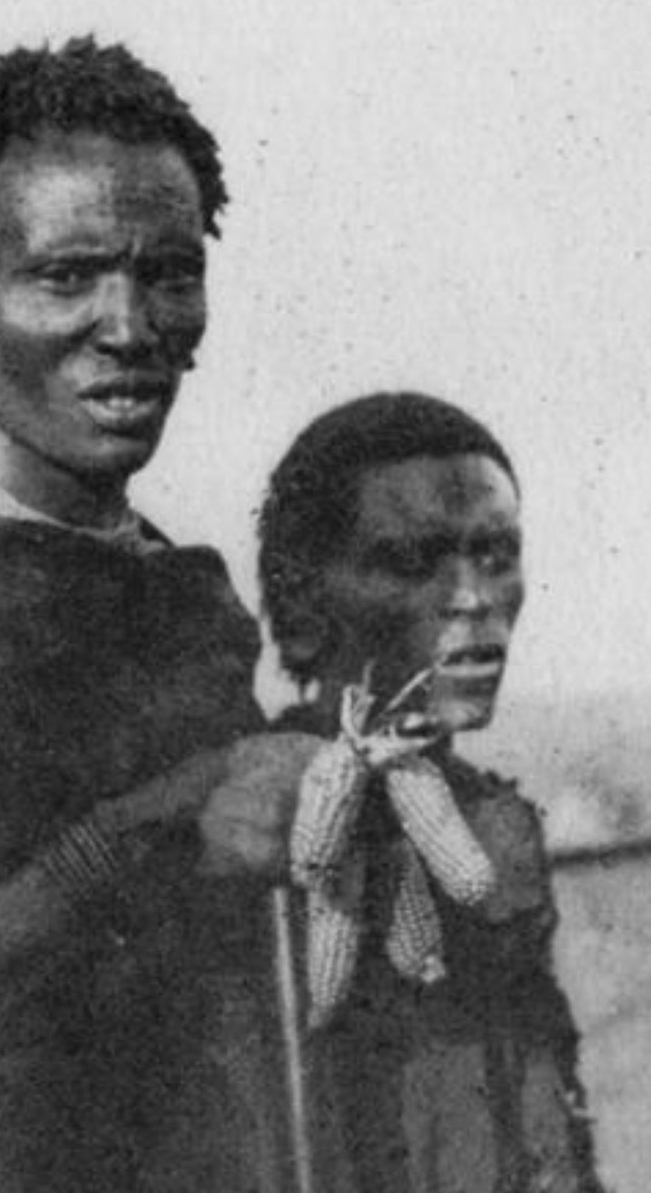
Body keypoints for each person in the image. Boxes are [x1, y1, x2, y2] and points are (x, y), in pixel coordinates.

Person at [0, 37, 320, 1192]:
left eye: (169, 272)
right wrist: (138, 837)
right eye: (67, 276)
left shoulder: (184, 594)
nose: (131, 323)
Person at [258, 391, 605, 1192]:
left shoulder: (496, 823)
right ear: (306, 598)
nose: (475, 599)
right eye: (414, 562)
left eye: (495, 554)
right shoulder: (259, 823)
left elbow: (543, 1114)